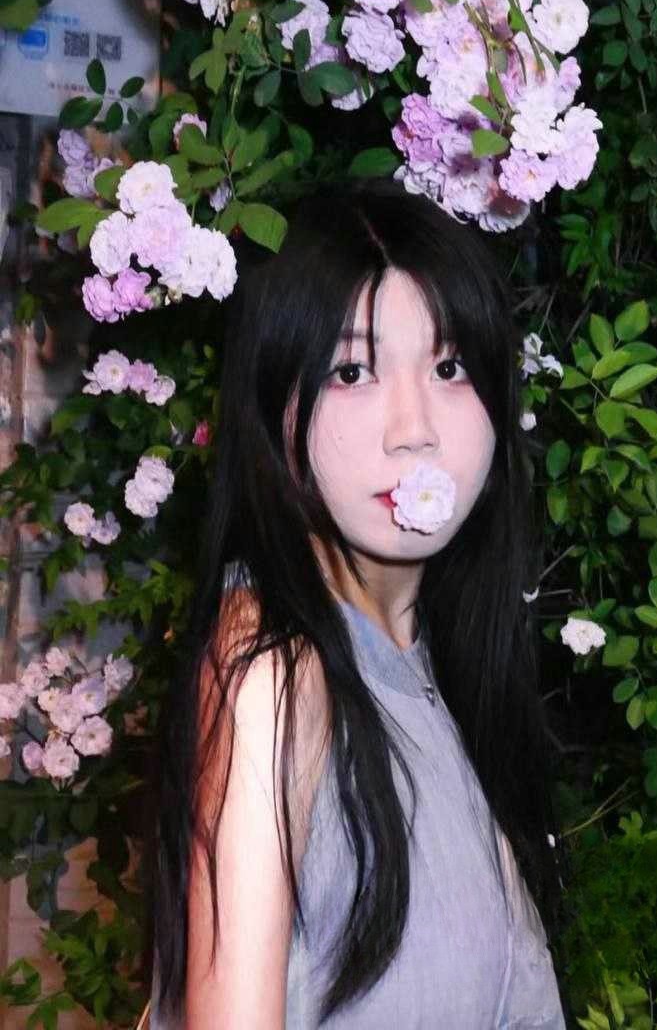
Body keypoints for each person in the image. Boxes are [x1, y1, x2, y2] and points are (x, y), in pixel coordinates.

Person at [142, 178, 567, 1028]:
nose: (414, 429)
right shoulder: (270, 669)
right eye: (352, 370)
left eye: (449, 367)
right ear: (275, 412)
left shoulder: (431, 664)